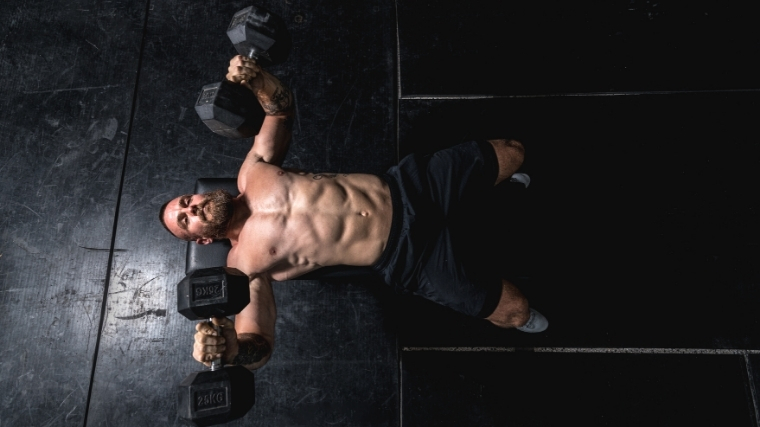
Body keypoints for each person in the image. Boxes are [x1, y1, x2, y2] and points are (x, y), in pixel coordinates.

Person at [159, 55, 548, 371]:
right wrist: (231, 350)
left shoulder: (254, 171)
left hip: (411, 188)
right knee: (516, 313)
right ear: (202, 239)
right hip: (410, 257)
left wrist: (258, 79)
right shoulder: (241, 268)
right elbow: (260, 344)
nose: (192, 206)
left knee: (514, 151)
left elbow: (281, 110)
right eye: (186, 219)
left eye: (185, 202)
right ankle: (490, 206)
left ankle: (492, 190)